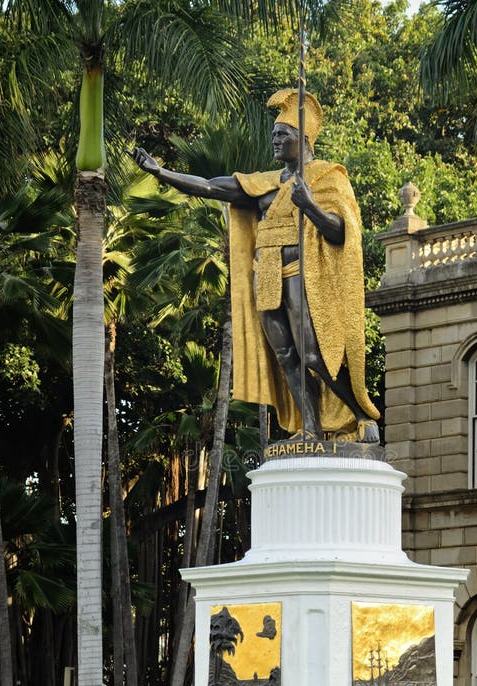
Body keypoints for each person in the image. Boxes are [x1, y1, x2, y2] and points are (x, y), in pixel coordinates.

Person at [130, 89, 379, 442]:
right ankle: (309, 428)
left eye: (283, 135)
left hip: (302, 274)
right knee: (286, 355)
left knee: (313, 354)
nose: (274, 141)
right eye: (274, 134)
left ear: (304, 137)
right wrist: (161, 172)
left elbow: (343, 234)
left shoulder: (327, 177)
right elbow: (209, 187)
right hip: (267, 275)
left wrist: (310, 206)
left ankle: (360, 415)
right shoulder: (264, 183)